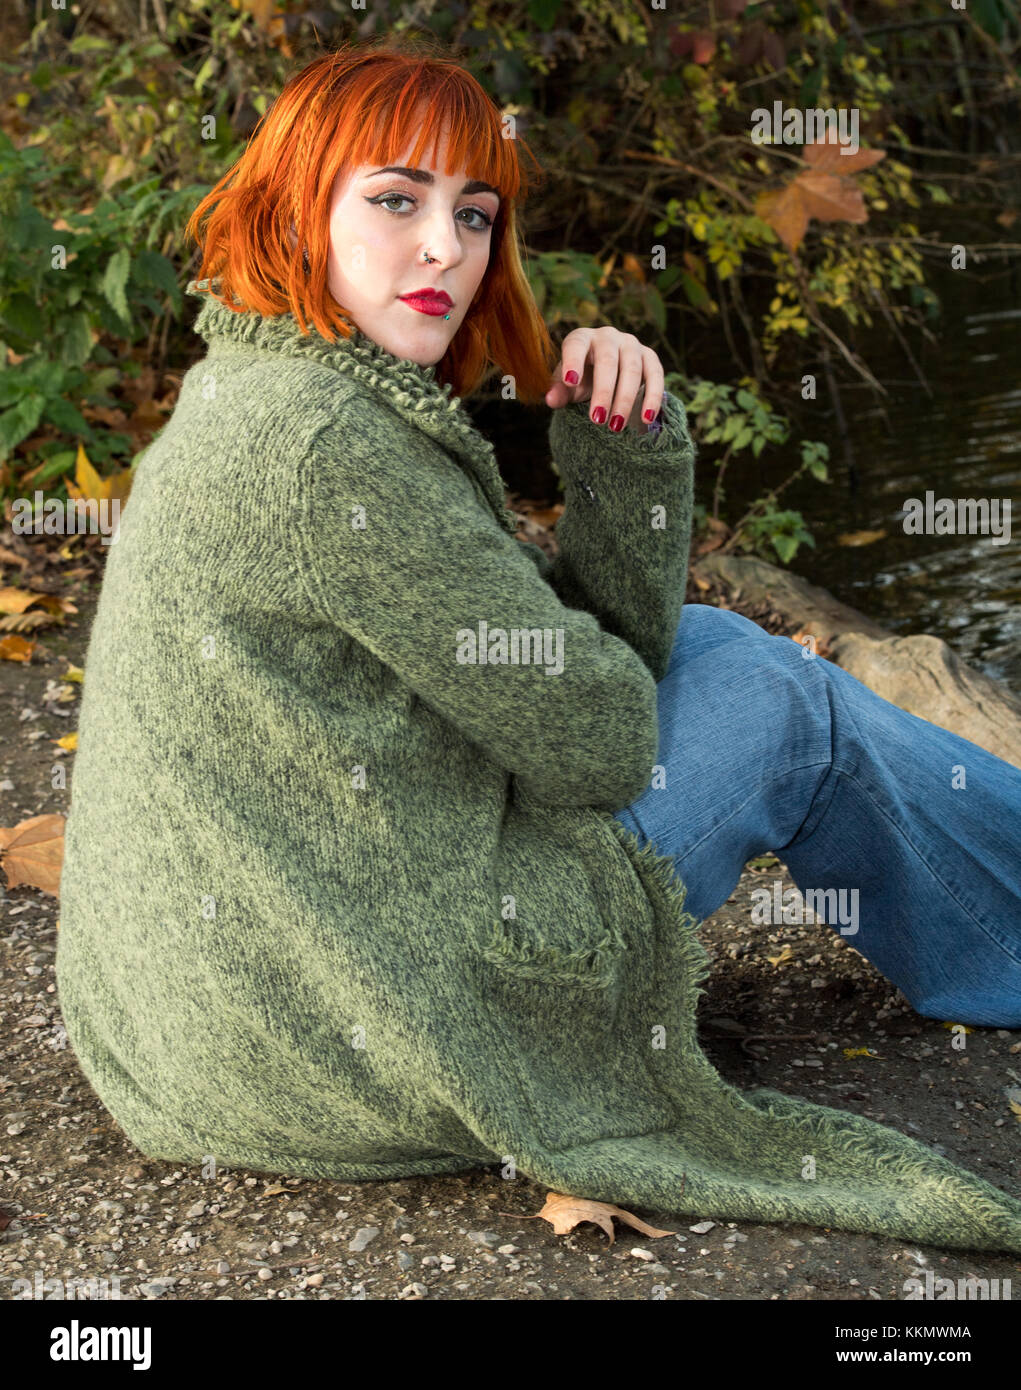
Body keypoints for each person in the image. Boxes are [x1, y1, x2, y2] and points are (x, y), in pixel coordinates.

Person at [55, 38, 1021, 1254]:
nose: (447, 248)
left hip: (199, 1029)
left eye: (474, 211)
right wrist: (628, 480)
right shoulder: (329, 450)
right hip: (364, 1032)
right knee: (782, 696)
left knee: (722, 645)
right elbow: (605, 738)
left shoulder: (251, 390)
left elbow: (569, 667)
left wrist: (621, 450)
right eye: (395, 200)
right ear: (296, 207)